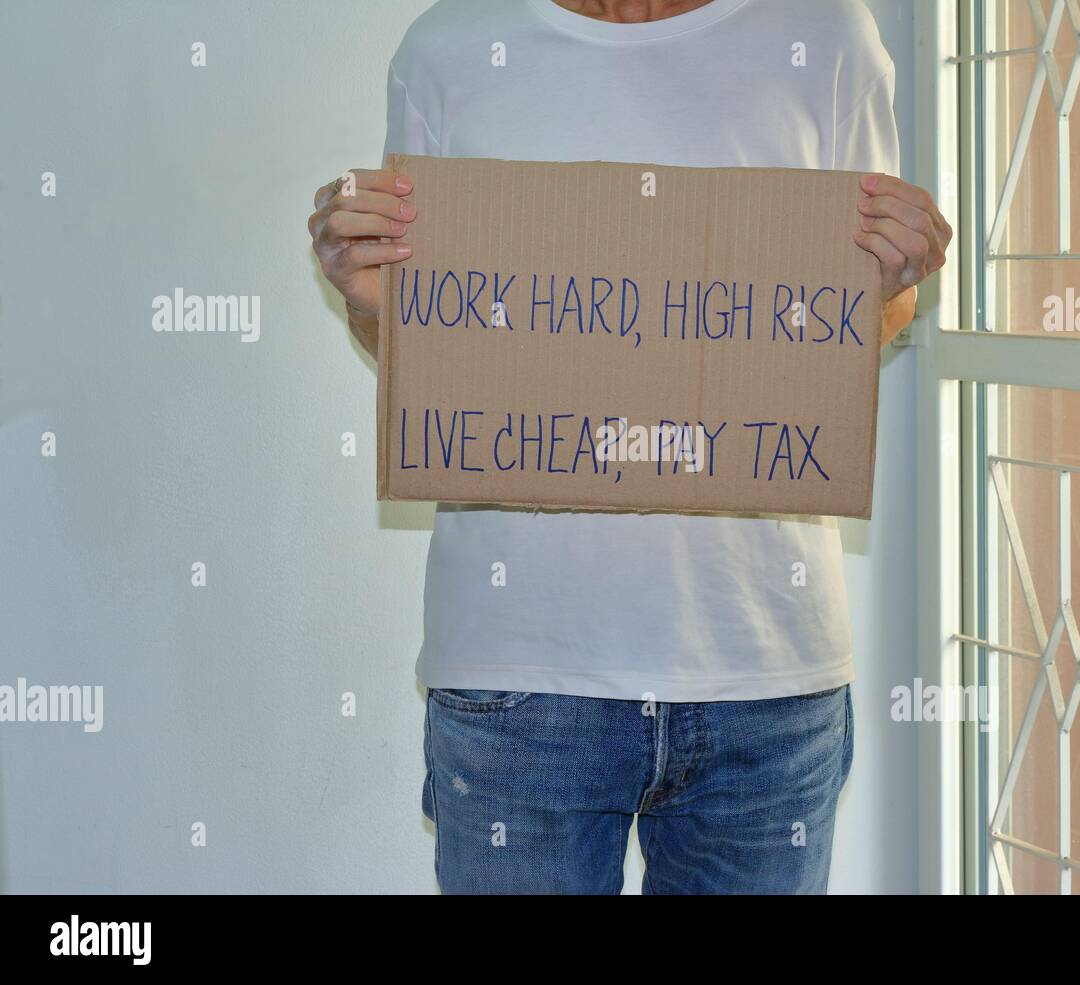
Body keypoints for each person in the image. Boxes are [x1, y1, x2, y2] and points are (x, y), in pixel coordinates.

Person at [308, 0, 950, 894]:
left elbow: (873, 308)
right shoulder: (450, 47)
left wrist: (902, 271)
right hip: (520, 669)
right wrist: (364, 292)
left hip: (761, 665)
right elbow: (431, 343)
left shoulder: (827, 35)